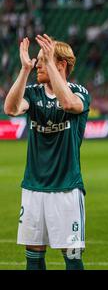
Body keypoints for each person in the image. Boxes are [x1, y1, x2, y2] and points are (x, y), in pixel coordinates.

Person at [4, 35, 90, 270]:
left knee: (72, 257)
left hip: (67, 188)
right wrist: (23, 70)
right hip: (33, 188)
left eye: (43, 60)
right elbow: (11, 108)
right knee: (33, 256)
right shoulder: (33, 93)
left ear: (60, 64)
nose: (37, 64)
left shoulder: (79, 92)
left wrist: (51, 65)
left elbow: (70, 105)